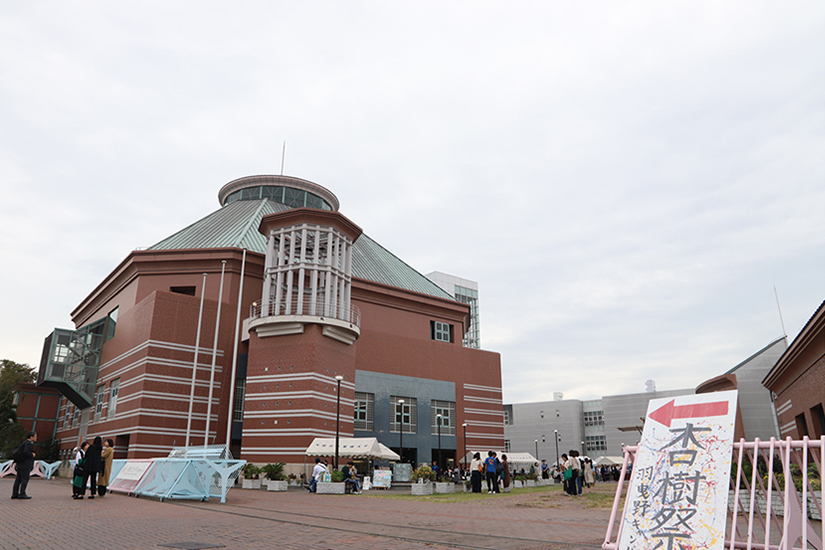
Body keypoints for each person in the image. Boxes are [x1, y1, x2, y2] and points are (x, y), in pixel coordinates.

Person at [11, 430, 37, 500]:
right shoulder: (28, 444)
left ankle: (15, 493)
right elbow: (25, 452)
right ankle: (22, 493)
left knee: (18, 480)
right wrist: (32, 454)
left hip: (20, 465)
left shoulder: (24, 443)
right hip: (25, 465)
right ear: (31, 437)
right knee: (25, 479)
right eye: (35, 436)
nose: (36, 438)